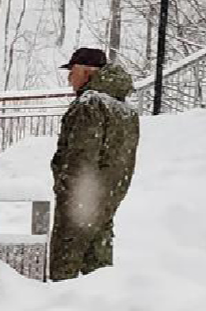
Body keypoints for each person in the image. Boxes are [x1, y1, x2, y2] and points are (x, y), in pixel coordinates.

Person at [49, 46, 139, 279]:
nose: (69, 79)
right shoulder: (126, 110)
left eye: (72, 72)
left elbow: (80, 156)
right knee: (97, 271)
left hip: (81, 200)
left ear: (87, 72)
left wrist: (66, 187)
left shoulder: (90, 103)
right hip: (108, 197)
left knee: (64, 271)